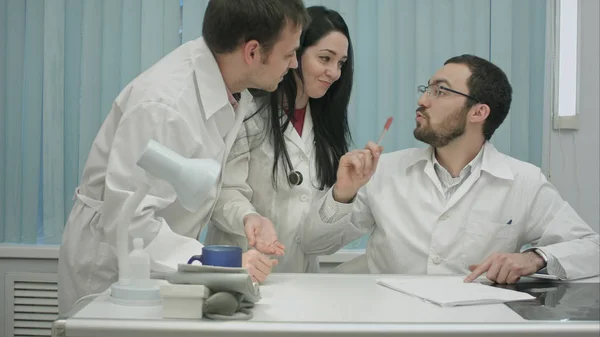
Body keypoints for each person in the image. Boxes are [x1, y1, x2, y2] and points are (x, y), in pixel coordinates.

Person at [58, 0, 310, 314]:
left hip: (161, 264)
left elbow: (197, 185)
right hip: (111, 269)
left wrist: (247, 217)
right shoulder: (165, 105)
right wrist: (216, 264)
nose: (295, 65)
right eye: (289, 54)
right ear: (253, 52)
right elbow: (128, 221)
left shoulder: (229, 89)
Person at [300, 54, 600, 283]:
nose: (422, 100)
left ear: (479, 112)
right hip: (391, 323)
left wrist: (535, 258)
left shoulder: (523, 181)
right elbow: (314, 244)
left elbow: (590, 248)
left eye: (440, 92)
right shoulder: (385, 171)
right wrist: (343, 194)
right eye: (427, 89)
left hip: (473, 326)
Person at [205, 6, 354, 275]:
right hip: (241, 270)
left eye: (341, 63)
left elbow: (316, 235)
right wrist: (248, 217)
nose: (334, 72)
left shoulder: (326, 130)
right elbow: (222, 191)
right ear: (294, 53)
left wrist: (343, 195)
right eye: (325, 58)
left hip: (302, 280)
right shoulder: (247, 112)